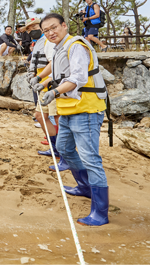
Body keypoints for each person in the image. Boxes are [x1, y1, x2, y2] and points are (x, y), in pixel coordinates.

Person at [37, 12, 110, 226]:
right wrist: (41, 82)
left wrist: (54, 92)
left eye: (53, 28)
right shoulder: (61, 48)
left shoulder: (76, 45)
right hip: (68, 109)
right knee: (65, 148)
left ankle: (100, 212)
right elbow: (58, 72)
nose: (50, 33)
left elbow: (78, 77)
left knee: (90, 158)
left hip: (85, 108)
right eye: (46, 31)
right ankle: (85, 187)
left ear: (64, 26)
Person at [23, 16, 68, 172]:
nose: (30, 31)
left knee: (56, 117)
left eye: (32, 27)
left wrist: (41, 80)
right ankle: (55, 148)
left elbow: (53, 64)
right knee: (40, 115)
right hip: (43, 83)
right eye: (28, 29)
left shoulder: (49, 41)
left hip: (50, 84)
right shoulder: (39, 42)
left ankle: (64, 154)